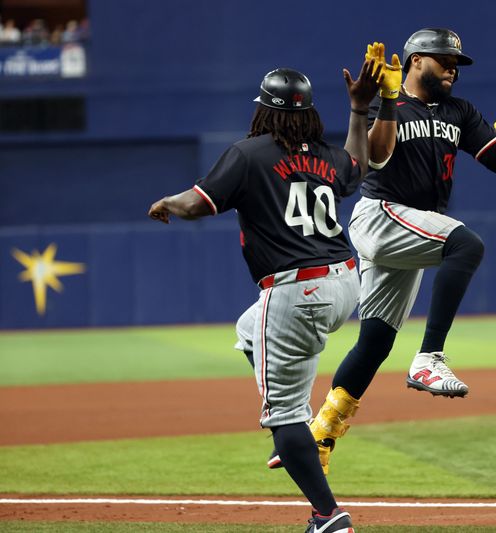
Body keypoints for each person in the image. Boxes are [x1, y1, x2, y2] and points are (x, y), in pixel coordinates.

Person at [269, 28, 496, 475]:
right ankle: (430, 358)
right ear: (415, 60)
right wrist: (378, 103)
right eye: (443, 60)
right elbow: (373, 159)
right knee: (466, 244)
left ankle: (321, 433)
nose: (451, 69)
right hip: (382, 214)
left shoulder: (458, 111)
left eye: (456, 64)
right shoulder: (395, 105)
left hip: (413, 225)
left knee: (375, 341)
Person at [148, 58, 382, 533]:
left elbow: (197, 203)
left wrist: (169, 201)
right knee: (246, 328)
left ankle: (327, 515)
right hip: (345, 282)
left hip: (297, 289)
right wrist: (360, 109)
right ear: (308, 114)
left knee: (285, 414)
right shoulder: (326, 155)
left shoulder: (249, 153)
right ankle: (290, 436)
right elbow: (357, 166)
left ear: (264, 113)